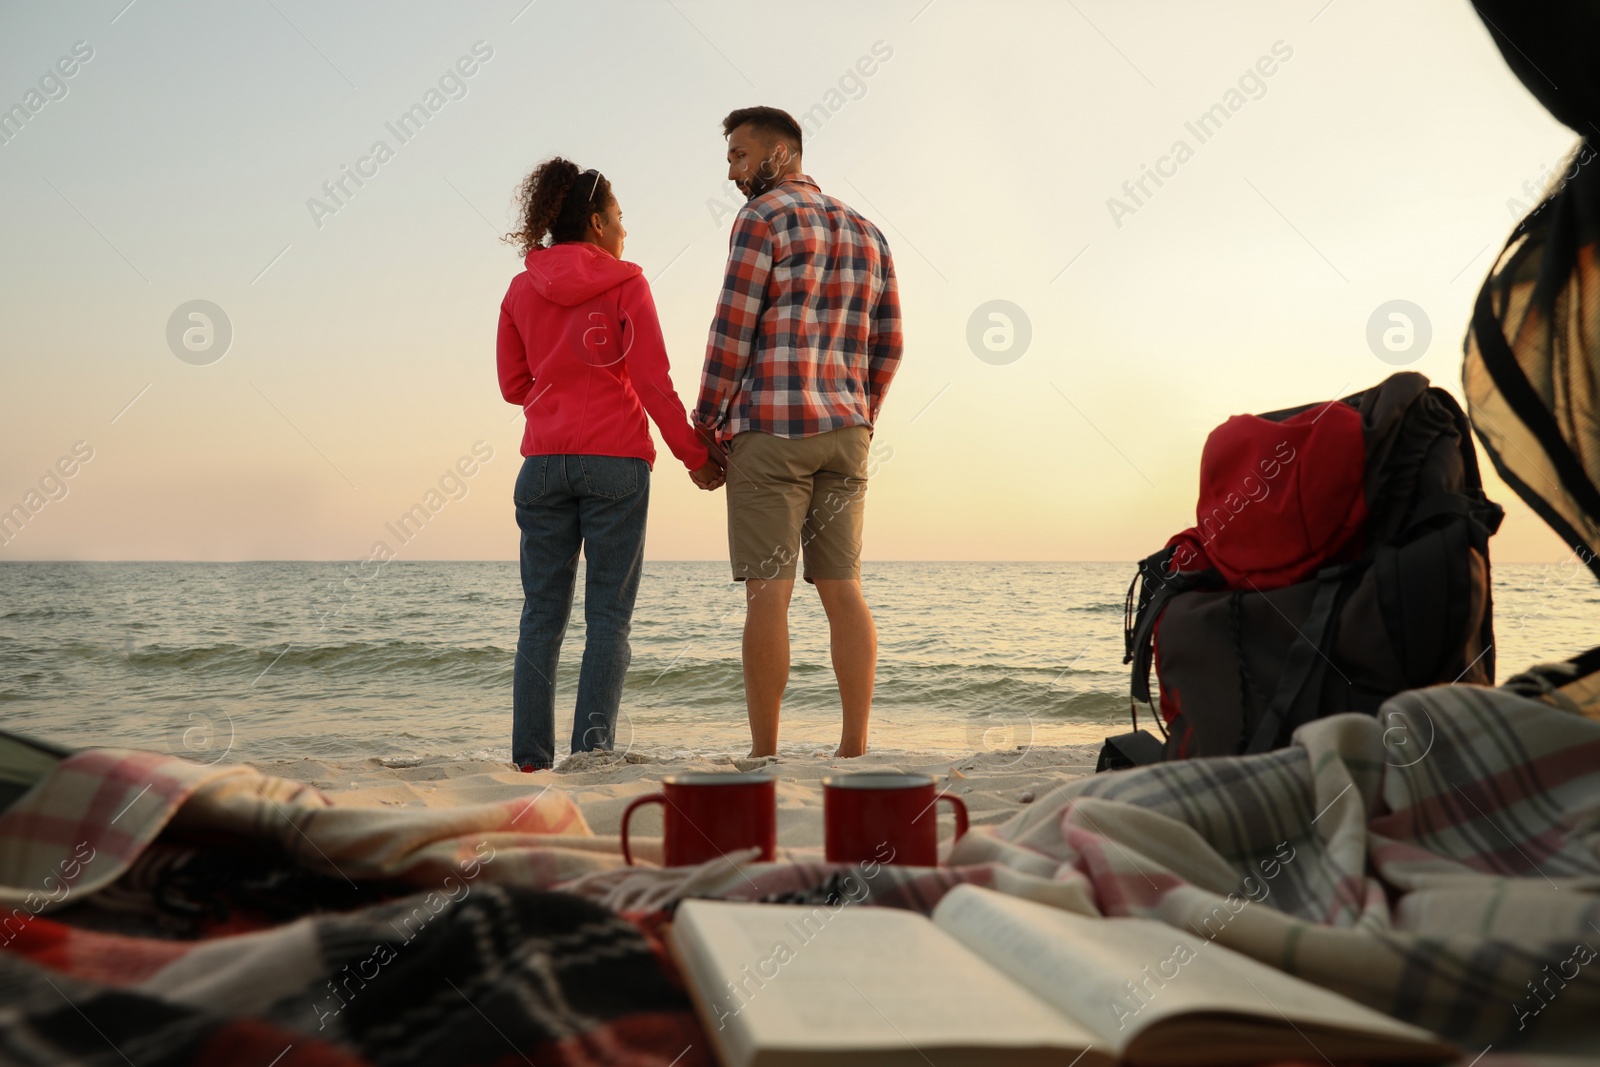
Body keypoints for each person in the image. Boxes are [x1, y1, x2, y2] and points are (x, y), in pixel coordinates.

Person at [498, 158, 724, 772]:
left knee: (540, 616)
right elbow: (653, 382)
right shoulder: (626, 282)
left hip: (542, 467)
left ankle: (529, 761)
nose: (626, 230)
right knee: (608, 620)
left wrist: (558, 388)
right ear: (597, 223)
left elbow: (513, 385)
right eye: (621, 218)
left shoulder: (521, 288)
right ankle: (591, 753)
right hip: (615, 464)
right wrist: (696, 456)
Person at [695, 106, 903, 760]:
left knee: (770, 591)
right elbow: (890, 345)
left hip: (774, 429)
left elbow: (732, 332)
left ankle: (765, 753)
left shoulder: (761, 220)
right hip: (847, 431)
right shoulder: (869, 232)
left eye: (738, 155)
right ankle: (853, 748)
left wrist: (707, 426)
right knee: (844, 589)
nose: (731, 171)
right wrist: (859, 412)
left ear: (778, 156)